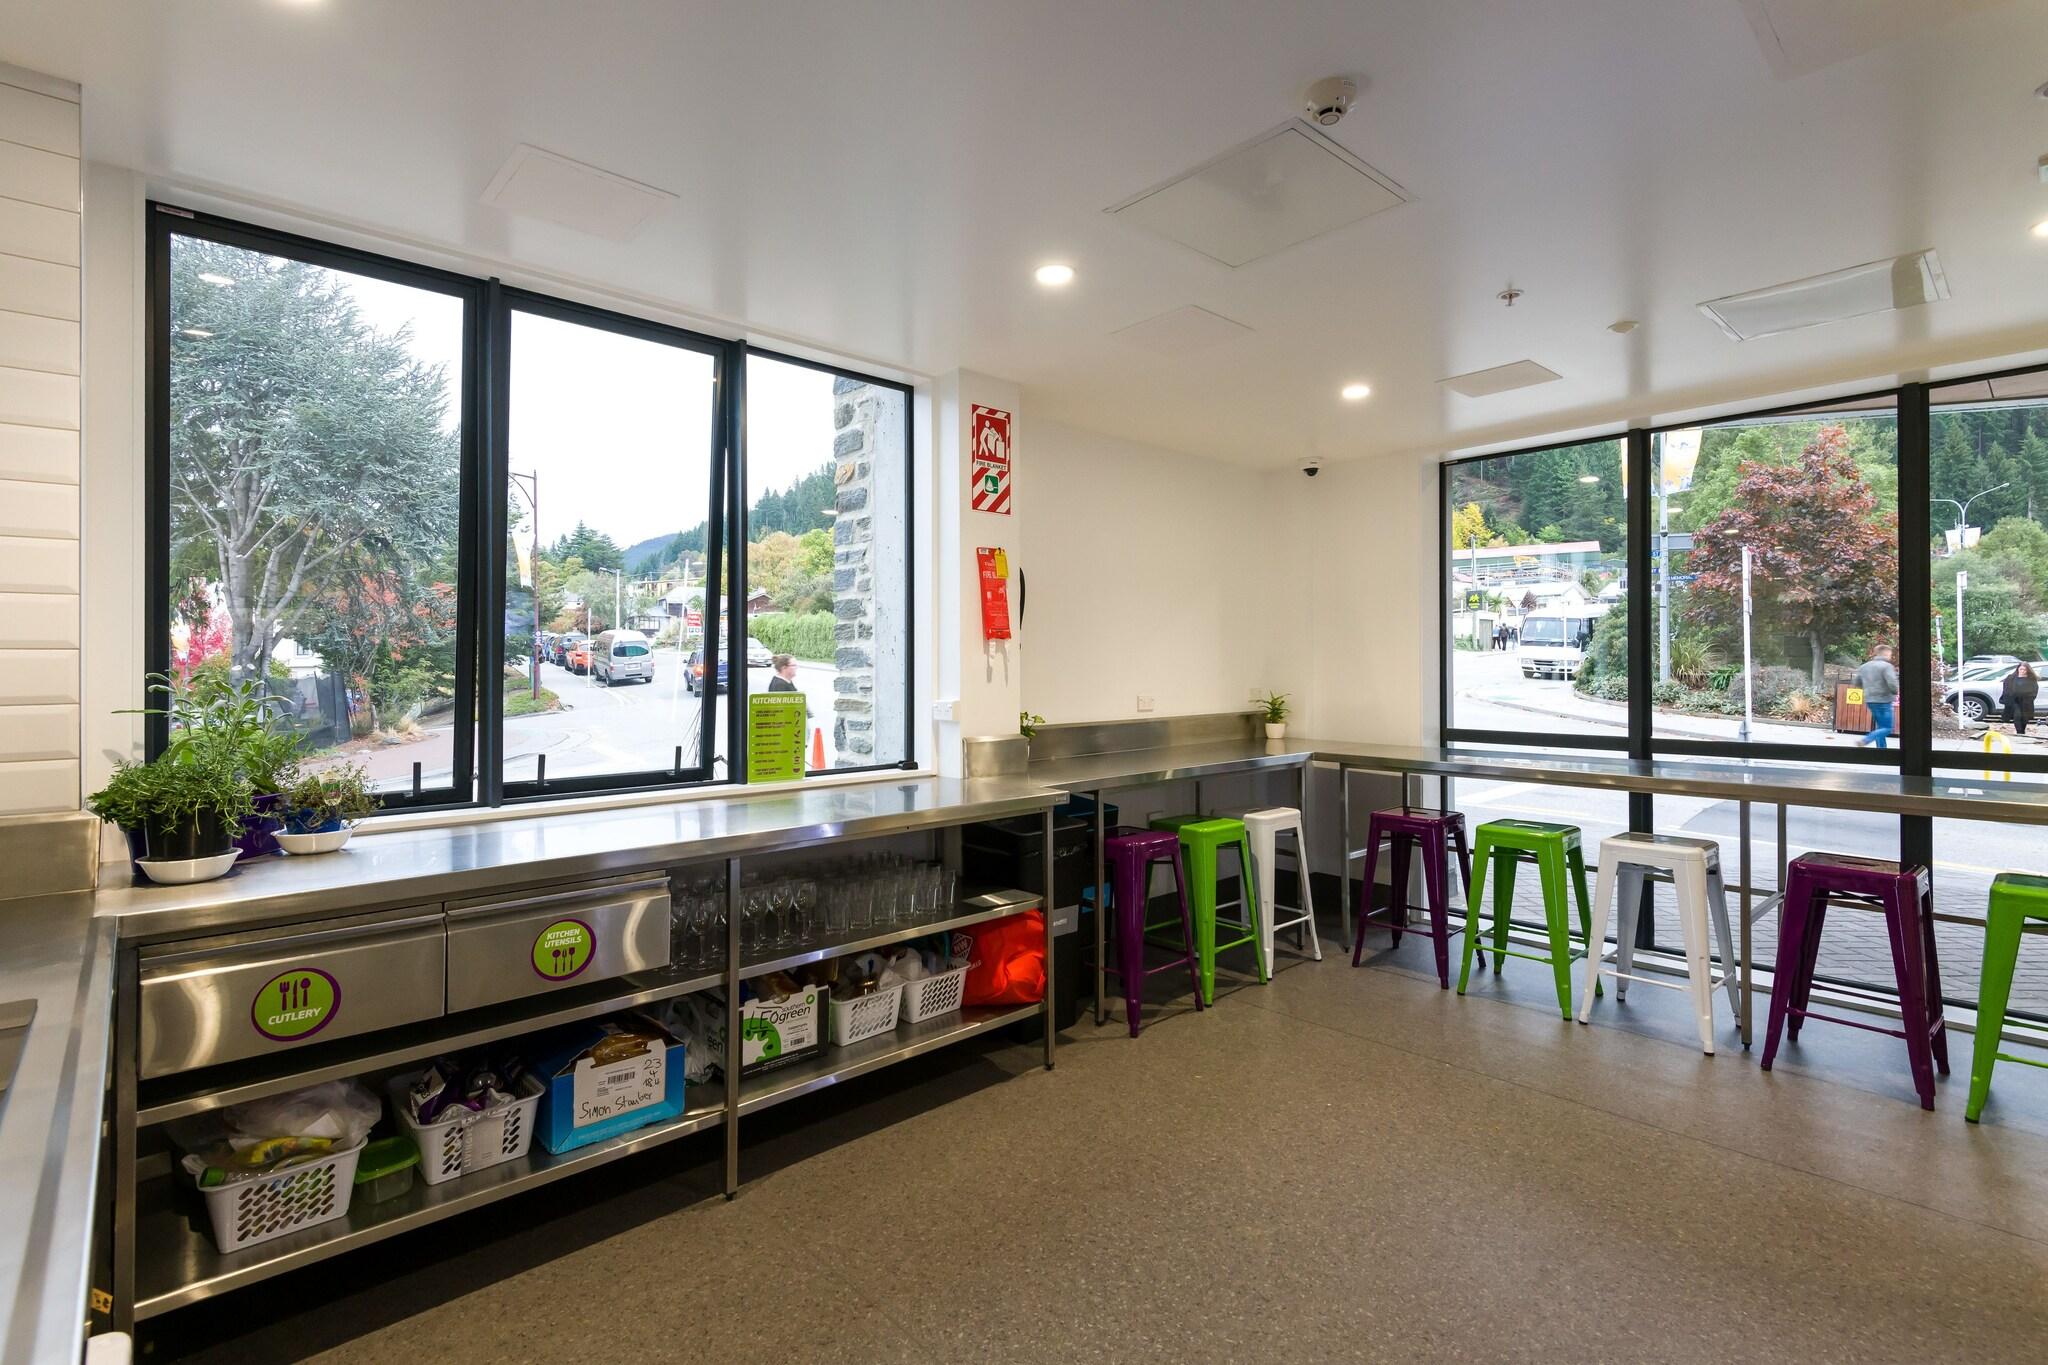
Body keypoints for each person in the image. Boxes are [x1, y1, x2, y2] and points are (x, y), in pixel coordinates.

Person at [1854, 645, 1899, 749]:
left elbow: (1856, 682)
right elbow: (1892, 684)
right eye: (1890, 654)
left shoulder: (1864, 666)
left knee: (1880, 727)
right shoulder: (1886, 667)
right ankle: (1865, 740)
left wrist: (1868, 689)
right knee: (1887, 727)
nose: (1890, 656)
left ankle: (1881, 750)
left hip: (1870, 700)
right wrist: (1895, 692)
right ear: (1886, 654)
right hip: (1884, 700)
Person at [2002, 661, 2039, 736]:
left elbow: (2034, 690)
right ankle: (2019, 732)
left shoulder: (2031, 679)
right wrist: (2009, 696)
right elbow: (2006, 688)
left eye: (2024, 670)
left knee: (2024, 718)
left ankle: (2022, 731)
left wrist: (2029, 697)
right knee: (2017, 716)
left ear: (2028, 670)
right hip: (2014, 701)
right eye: (2021, 669)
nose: (2022, 671)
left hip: (2026, 701)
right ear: (2018, 669)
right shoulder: (2011, 678)